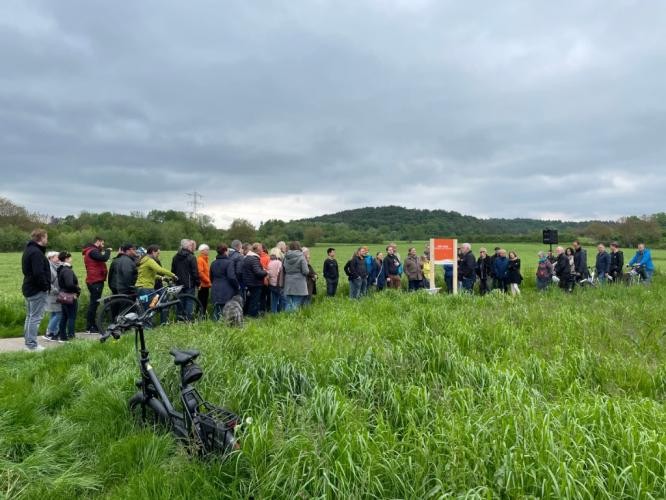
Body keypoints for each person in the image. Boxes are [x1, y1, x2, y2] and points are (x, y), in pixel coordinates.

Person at [21, 229, 51, 351]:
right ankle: (32, 345)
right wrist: (45, 286)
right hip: (36, 289)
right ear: (41, 238)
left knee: (30, 316)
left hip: (29, 287)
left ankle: (29, 343)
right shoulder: (36, 253)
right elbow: (38, 273)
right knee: (35, 318)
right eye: (46, 237)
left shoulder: (29, 250)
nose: (47, 240)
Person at [82, 236, 111, 333]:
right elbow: (104, 258)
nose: (103, 246)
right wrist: (108, 251)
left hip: (94, 280)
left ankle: (91, 326)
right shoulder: (93, 251)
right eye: (102, 244)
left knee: (94, 303)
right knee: (94, 304)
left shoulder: (91, 251)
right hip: (95, 281)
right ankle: (90, 327)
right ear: (97, 242)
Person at [136, 245, 176, 315]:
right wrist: (173, 275)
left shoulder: (144, 259)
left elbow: (148, 274)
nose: (158, 255)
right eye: (157, 253)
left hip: (141, 287)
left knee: (148, 306)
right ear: (153, 252)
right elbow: (159, 269)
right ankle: (147, 325)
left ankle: (145, 323)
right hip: (146, 288)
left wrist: (161, 278)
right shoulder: (149, 260)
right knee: (148, 309)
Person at [171, 239, 200, 319]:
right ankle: (188, 320)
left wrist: (174, 281)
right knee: (189, 301)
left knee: (179, 301)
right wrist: (198, 283)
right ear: (187, 246)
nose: (191, 246)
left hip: (178, 283)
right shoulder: (192, 257)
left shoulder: (175, 257)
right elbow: (195, 273)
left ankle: (179, 319)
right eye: (190, 245)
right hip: (189, 284)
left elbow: (172, 271)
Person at [210, 244, 240, 320]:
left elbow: (211, 277)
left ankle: (214, 328)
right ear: (226, 251)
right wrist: (237, 286)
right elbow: (232, 277)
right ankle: (225, 328)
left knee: (216, 310)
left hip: (215, 288)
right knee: (226, 310)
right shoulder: (229, 262)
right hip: (227, 289)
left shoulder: (213, 263)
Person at [57, 251, 81, 342]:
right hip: (69, 295)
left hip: (62, 295)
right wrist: (77, 290)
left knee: (64, 316)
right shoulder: (67, 270)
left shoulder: (61, 269)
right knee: (71, 317)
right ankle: (71, 336)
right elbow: (69, 284)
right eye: (70, 257)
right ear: (66, 259)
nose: (72, 259)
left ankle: (62, 336)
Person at [241, 243, 268, 318]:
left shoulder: (247, 257)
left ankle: (246, 315)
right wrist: (266, 272)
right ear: (257, 250)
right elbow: (258, 272)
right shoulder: (254, 258)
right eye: (261, 249)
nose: (262, 251)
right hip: (255, 283)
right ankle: (252, 317)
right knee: (254, 301)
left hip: (248, 282)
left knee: (249, 300)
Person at [282, 241, 309, 311]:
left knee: (288, 303)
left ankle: (286, 319)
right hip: (299, 283)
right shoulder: (301, 257)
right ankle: (293, 320)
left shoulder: (285, 257)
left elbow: (284, 269)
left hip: (288, 282)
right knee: (296, 302)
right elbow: (305, 271)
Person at [43, 251, 62, 341]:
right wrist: (56, 291)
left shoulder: (56, 266)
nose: (58, 258)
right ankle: (49, 332)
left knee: (54, 313)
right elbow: (48, 282)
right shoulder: (49, 268)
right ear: (50, 258)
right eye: (56, 257)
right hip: (53, 294)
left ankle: (54, 332)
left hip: (55, 294)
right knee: (59, 313)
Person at [196, 244, 211, 315]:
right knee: (201, 301)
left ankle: (203, 315)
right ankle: (200, 315)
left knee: (205, 301)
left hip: (206, 285)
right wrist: (208, 280)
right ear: (202, 251)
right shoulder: (200, 260)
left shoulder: (205, 259)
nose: (208, 251)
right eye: (207, 249)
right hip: (202, 285)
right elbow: (200, 273)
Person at [267, 247, 284, 312]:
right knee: (283, 299)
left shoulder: (270, 262)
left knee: (274, 300)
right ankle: (282, 313)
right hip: (278, 284)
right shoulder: (278, 262)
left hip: (271, 284)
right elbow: (279, 273)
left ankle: (274, 314)